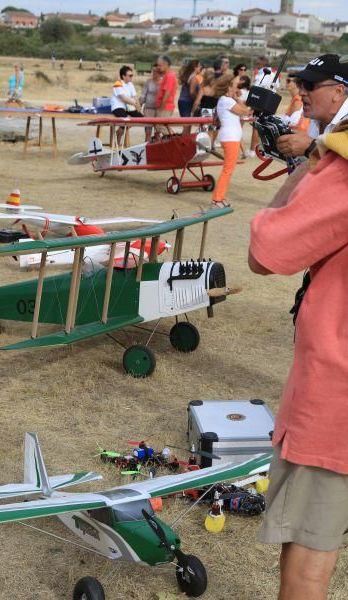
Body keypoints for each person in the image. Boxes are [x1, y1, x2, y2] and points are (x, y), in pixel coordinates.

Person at [248, 118, 348, 600]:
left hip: (337, 396)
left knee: (309, 548)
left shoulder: (343, 166)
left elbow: (265, 252)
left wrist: (308, 164)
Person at [276, 54, 348, 158]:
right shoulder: (316, 121)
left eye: (309, 85)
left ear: (338, 92)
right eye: (300, 84)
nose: (301, 92)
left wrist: (311, 148)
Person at [212, 74, 251, 206]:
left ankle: (220, 198)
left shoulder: (228, 100)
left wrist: (236, 98)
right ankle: (217, 199)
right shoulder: (226, 101)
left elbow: (244, 110)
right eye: (235, 84)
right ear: (229, 86)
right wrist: (240, 100)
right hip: (230, 138)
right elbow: (245, 111)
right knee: (228, 169)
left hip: (231, 137)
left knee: (229, 169)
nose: (237, 86)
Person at [110, 65, 143, 144]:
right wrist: (135, 104)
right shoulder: (117, 84)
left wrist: (138, 106)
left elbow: (135, 96)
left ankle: (120, 131)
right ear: (123, 76)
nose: (132, 77)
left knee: (141, 118)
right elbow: (123, 98)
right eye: (130, 75)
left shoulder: (130, 84)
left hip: (128, 107)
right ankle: (118, 140)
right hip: (118, 107)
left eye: (132, 75)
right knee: (126, 120)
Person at [155, 55, 178, 134]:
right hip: (164, 106)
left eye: (160, 65)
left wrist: (161, 108)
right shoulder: (167, 75)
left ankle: (170, 144)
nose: (158, 67)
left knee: (163, 128)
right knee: (159, 128)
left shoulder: (170, 76)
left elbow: (167, 93)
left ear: (166, 64)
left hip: (165, 107)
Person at [140, 63, 161, 141]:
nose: (154, 73)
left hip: (159, 110)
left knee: (158, 132)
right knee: (148, 132)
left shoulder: (163, 83)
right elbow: (143, 96)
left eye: (156, 71)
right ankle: (146, 148)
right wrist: (139, 107)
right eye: (153, 71)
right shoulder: (148, 82)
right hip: (148, 110)